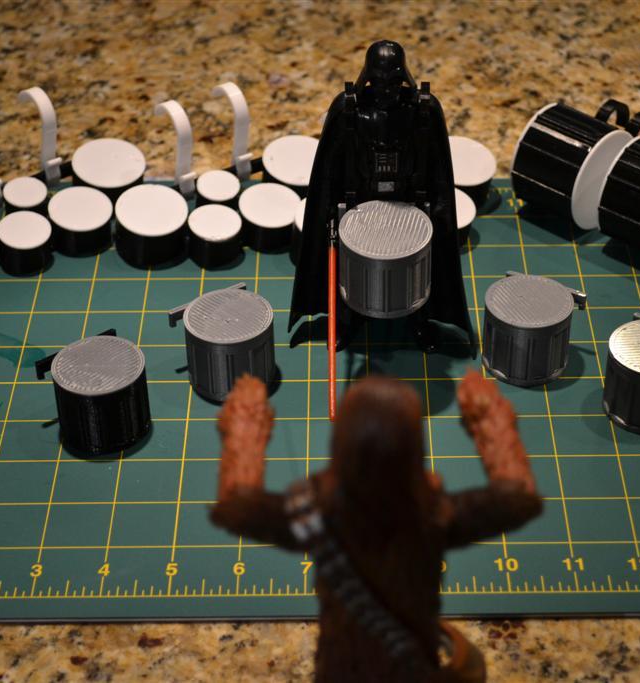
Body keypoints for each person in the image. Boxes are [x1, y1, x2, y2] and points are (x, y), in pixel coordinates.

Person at [211, 370, 542, 682]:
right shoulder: (433, 515)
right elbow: (517, 498)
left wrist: (246, 421)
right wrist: (488, 417)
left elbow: (237, 505)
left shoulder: (316, 513)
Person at [288, 40, 474, 352]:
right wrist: (328, 213)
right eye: (379, 82)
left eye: (393, 82)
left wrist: (440, 215)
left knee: (420, 267)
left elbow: (439, 169)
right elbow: (328, 171)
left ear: (404, 78)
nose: (386, 90)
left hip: (410, 206)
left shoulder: (422, 111)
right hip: (358, 207)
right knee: (349, 270)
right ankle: (347, 320)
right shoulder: (349, 111)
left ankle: (419, 321)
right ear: (367, 78)